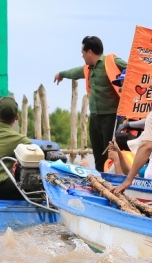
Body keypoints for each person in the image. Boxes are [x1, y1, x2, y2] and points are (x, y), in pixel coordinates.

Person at [55, 35, 128, 171]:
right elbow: (75, 72)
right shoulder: (88, 68)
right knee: (98, 152)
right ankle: (99, 178)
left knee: (110, 152)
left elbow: (132, 69)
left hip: (111, 116)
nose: (82, 56)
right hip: (95, 116)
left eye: (83, 53)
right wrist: (61, 74)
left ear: (89, 52)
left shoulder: (111, 61)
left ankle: (112, 179)